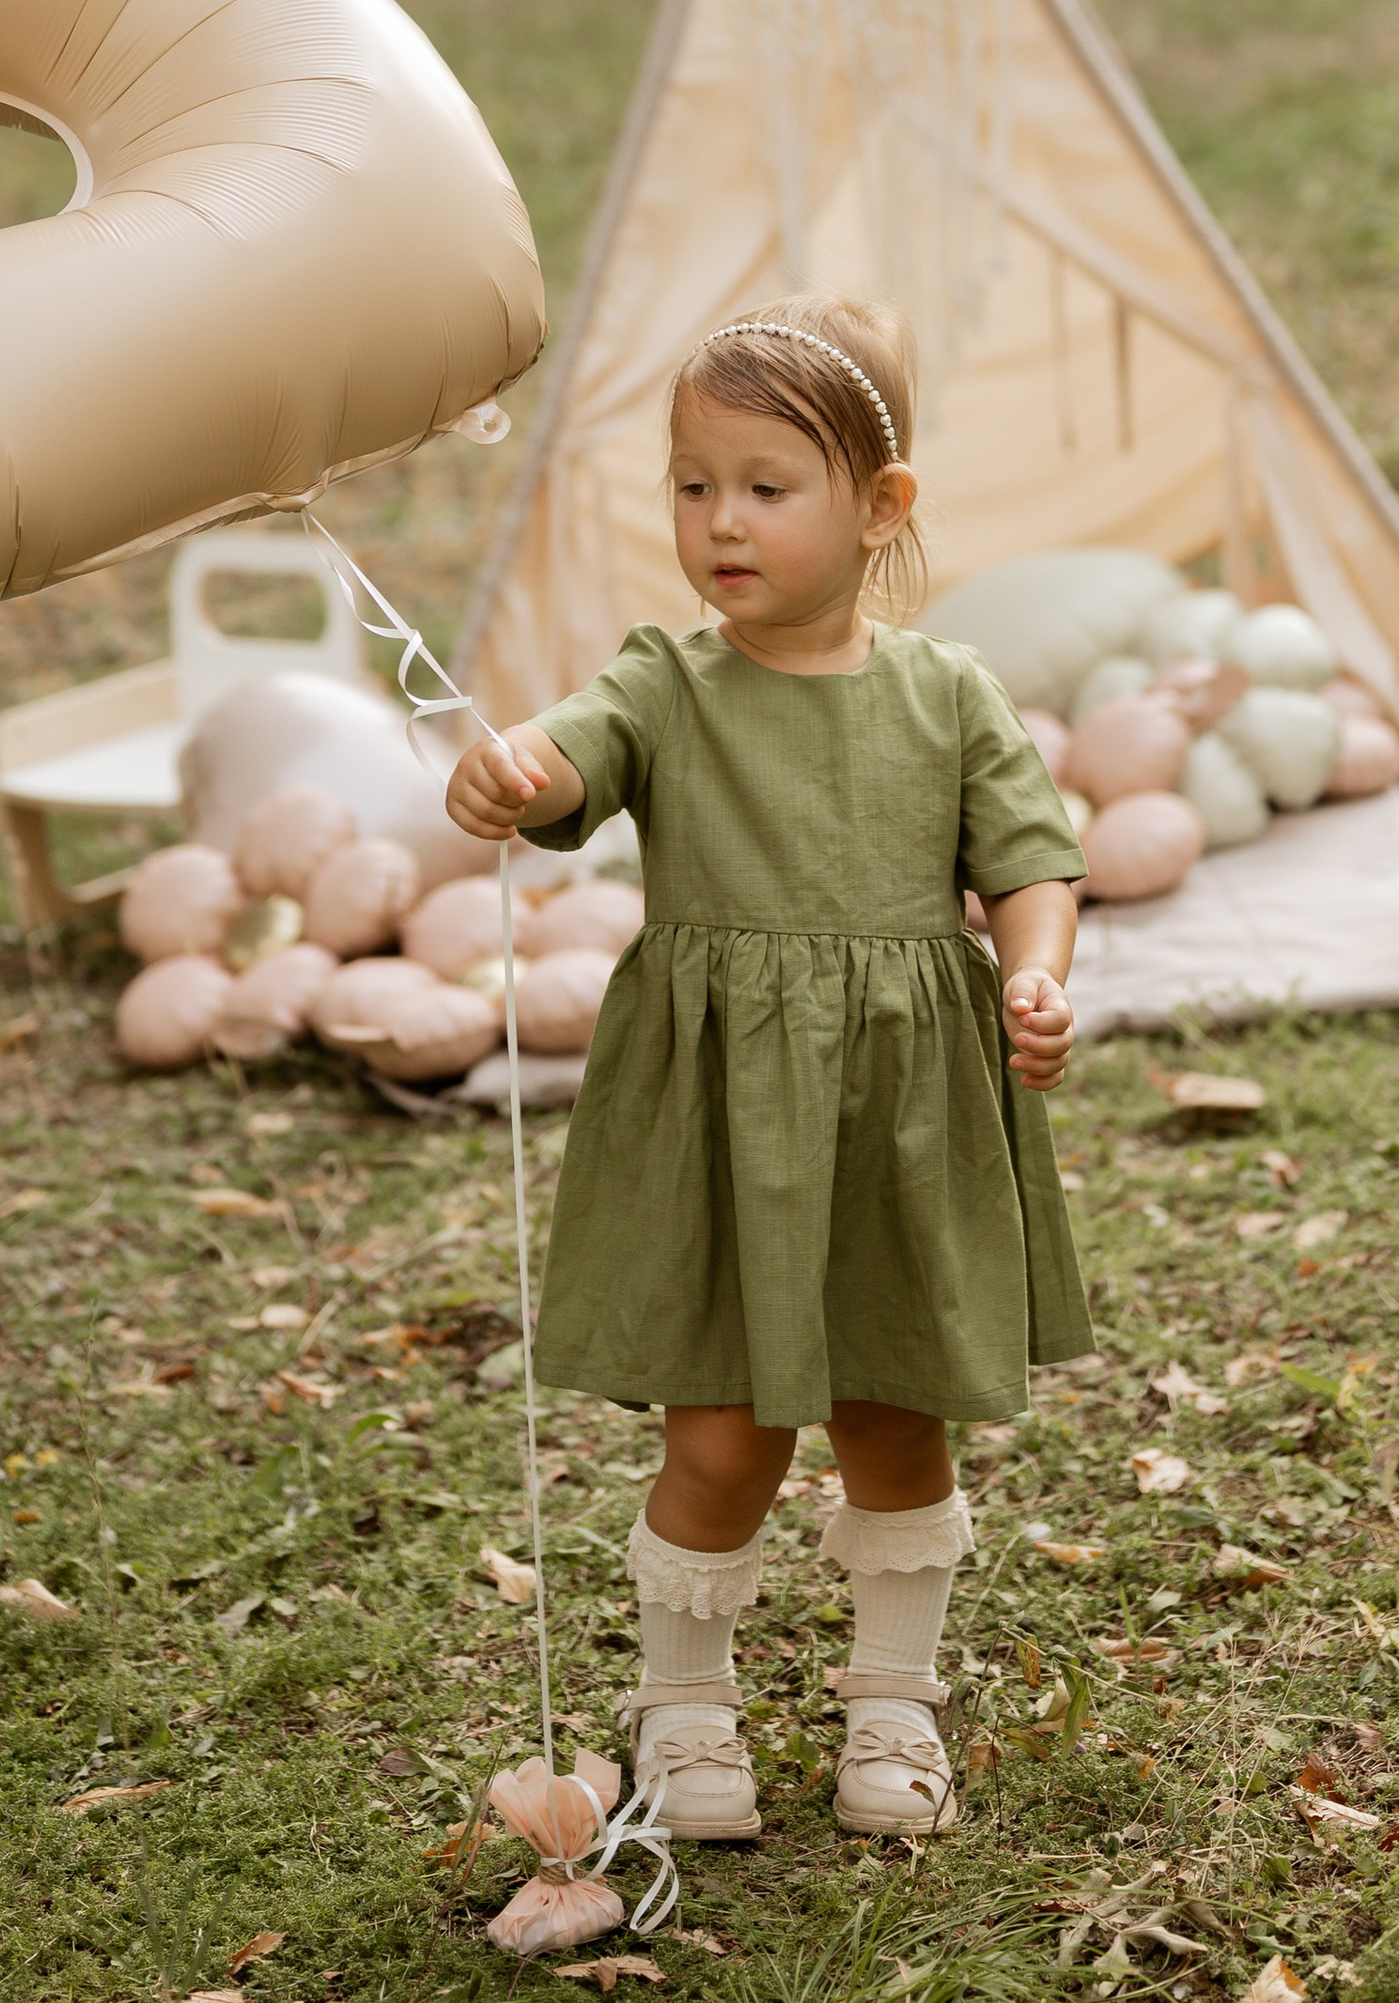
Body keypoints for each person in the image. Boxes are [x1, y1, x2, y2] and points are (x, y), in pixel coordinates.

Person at [446, 295, 1089, 1846]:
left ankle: (892, 1706)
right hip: (730, 1128)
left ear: (880, 509)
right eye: (691, 483)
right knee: (723, 1434)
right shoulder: (670, 683)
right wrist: (512, 767)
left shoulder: (947, 696)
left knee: (893, 1413)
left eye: (766, 484)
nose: (720, 520)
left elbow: (1029, 856)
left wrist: (1039, 968)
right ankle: (684, 1712)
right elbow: (569, 755)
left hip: (899, 1123)